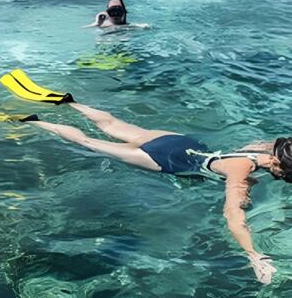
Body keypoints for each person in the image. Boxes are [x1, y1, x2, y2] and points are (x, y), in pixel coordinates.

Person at [24, 102, 291, 284]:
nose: (284, 179)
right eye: (286, 175)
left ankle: (69, 101)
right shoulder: (241, 172)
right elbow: (233, 215)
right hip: (170, 160)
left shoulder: (262, 149)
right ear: (279, 164)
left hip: (183, 142)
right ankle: (34, 121)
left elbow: (230, 164)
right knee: (89, 142)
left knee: (112, 124)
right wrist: (255, 256)